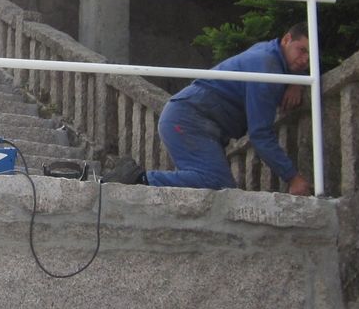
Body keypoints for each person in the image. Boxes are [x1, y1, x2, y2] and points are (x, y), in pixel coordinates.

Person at [105, 24, 313, 196]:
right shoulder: (267, 69)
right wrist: (292, 177)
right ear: (286, 39)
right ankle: (137, 179)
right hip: (188, 120)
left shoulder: (267, 53)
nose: (304, 60)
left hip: (189, 118)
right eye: (302, 50)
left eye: (309, 56)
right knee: (217, 184)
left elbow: (280, 64)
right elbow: (260, 134)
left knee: (206, 186)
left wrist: (296, 81)